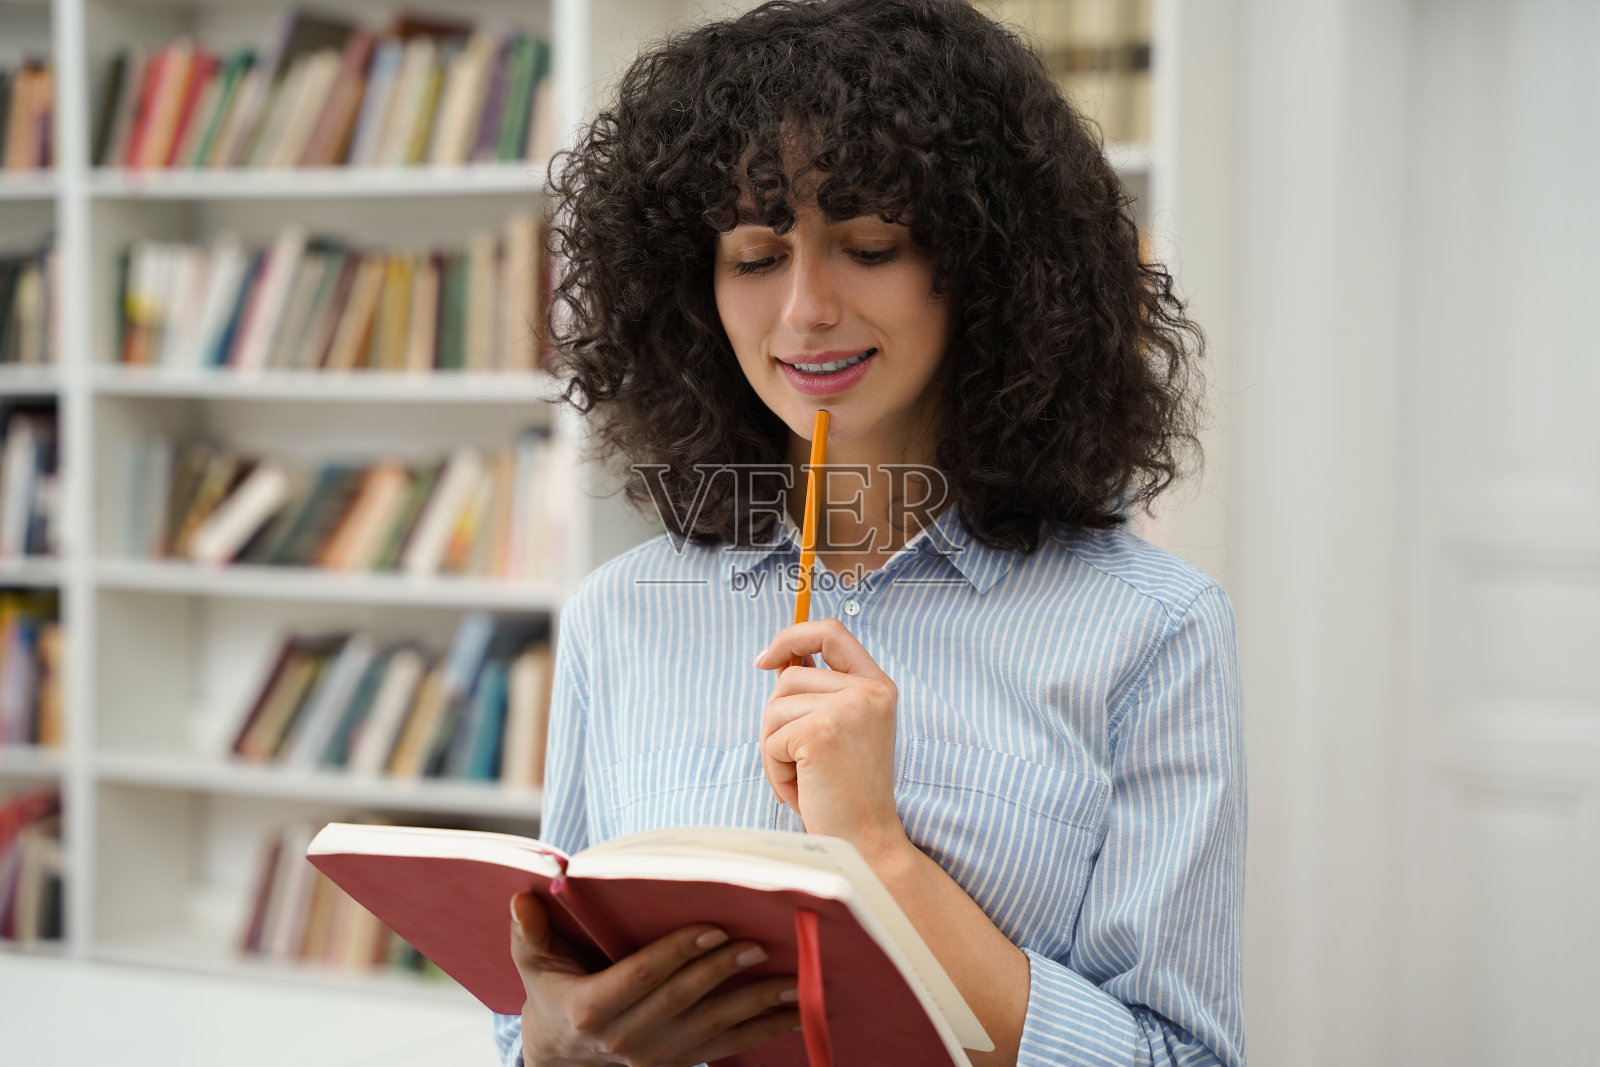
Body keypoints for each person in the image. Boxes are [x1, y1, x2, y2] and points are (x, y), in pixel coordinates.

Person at [493, 1, 1245, 1064]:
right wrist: (547, 1045)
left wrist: (878, 853)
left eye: (870, 244)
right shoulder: (620, 613)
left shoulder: (1151, 630)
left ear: (986, 271)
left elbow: (1183, 1056)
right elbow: (536, 997)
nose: (804, 308)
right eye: (754, 256)